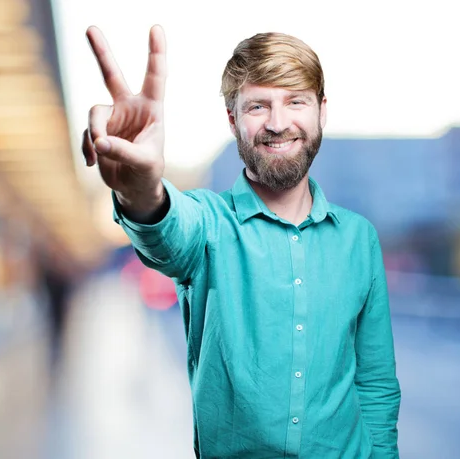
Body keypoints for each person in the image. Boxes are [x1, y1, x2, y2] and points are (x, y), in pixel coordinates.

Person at [82, 25, 401, 459]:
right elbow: (166, 229)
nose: (277, 122)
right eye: (257, 106)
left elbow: (376, 386)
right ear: (232, 119)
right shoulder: (209, 225)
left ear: (321, 111)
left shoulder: (359, 239)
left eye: (296, 101)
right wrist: (139, 189)